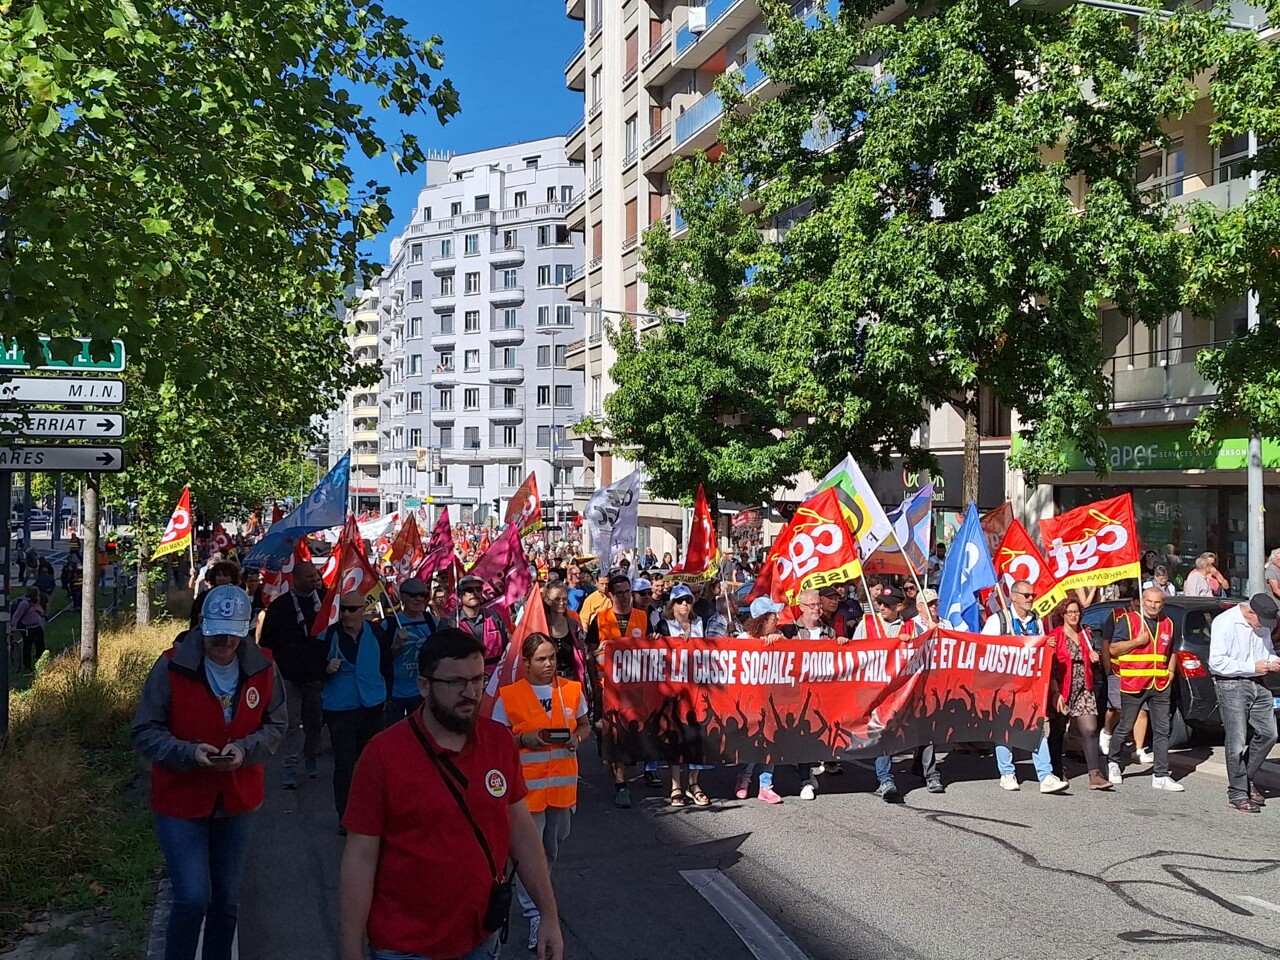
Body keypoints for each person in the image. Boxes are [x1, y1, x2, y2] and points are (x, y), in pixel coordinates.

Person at [340, 628, 564, 960]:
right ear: (424, 686)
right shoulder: (382, 756)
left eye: (476, 680)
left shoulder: (499, 742)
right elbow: (360, 857)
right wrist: (350, 950)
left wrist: (549, 915)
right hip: (405, 948)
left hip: (480, 939)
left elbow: (522, 833)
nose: (470, 692)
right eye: (455, 683)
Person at [132, 584, 286, 960]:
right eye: (217, 634)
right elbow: (144, 730)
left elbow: (277, 723)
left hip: (238, 799)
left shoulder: (264, 666)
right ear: (202, 626)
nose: (224, 643)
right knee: (192, 897)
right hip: (180, 801)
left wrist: (245, 749)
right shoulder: (170, 666)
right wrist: (188, 753)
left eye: (233, 635)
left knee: (227, 901)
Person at [492, 633, 590, 952]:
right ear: (526, 663)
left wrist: (577, 739)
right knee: (529, 855)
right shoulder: (509, 696)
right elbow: (495, 739)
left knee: (551, 848)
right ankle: (536, 913)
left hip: (561, 789)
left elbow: (585, 724)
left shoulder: (571, 690)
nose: (549, 665)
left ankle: (539, 896)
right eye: (541, 659)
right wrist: (524, 740)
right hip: (526, 792)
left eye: (552, 658)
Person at [982, 580, 1069, 794]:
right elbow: (983, 649)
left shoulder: (1036, 620)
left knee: (1036, 725)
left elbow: (1039, 648)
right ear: (1014, 596)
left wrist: (1046, 644)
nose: (1031, 599)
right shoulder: (998, 620)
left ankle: (1046, 775)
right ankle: (1007, 772)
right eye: (1027, 595)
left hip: (1030, 684)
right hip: (1003, 683)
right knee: (1005, 727)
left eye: (1032, 595)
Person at [854, 587, 939, 797]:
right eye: (880, 602)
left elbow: (925, 653)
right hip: (878, 691)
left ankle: (930, 774)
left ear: (899, 607)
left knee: (924, 730)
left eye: (888, 604)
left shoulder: (911, 627)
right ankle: (885, 779)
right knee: (885, 733)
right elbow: (854, 653)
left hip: (905, 689)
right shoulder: (867, 623)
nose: (882, 607)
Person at [1104, 587, 1184, 792]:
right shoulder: (1129, 621)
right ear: (1142, 601)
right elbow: (1113, 649)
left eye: (1157, 602)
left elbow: (1172, 651)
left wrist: (1171, 672)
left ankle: (1161, 775)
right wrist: (1137, 642)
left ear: (1162, 603)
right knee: (1125, 725)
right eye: (1149, 601)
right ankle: (1113, 761)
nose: (1153, 606)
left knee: (1162, 730)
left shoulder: (1168, 623)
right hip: (1134, 681)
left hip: (1160, 683)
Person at [322, 591, 390, 828]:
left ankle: (372, 812)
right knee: (345, 763)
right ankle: (346, 817)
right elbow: (307, 666)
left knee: (371, 763)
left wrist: (385, 697)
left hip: (372, 705)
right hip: (340, 708)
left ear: (363, 610)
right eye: (343, 609)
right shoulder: (329, 635)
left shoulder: (377, 633)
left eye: (352, 609)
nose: (346, 614)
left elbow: (386, 667)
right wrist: (325, 667)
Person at [259, 557, 328, 789]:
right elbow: (267, 643)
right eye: (310, 577)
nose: (315, 580)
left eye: (316, 576)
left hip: (317, 676)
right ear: (296, 579)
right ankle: (290, 767)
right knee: (290, 723)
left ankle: (311, 758)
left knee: (314, 721)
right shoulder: (280, 606)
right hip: (287, 676)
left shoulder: (327, 602)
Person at [1208, 593, 1280, 812]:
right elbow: (1217, 663)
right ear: (1250, 613)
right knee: (1237, 740)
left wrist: (1273, 661)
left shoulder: (1263, 624)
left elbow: (1266, 651)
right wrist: (1252, 666)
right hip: (1230, 683)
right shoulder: (1225, 622)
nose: (1263, 627)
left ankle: (1246, 779)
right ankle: (1238, 792)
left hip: (1258, 681)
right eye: (1261, 621)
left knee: (1269, 733)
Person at [584, 573, 650, 809]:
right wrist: (593, 686)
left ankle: (635, 770)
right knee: (615, 738)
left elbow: (653, 649)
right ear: (610, 594)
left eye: (626, 591)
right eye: (618, 592)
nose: (623, 596)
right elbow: (590, 655)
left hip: (635, 690)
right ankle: (621, 785)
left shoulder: (643, 618)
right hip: (606, 688)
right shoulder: (599, 619)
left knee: (632, 734)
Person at [656, 585, 713, 806]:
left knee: (696, 736)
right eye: (679, 601)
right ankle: (675, 785)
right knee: (675, 736)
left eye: (688, 600)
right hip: (673, 688)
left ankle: (694, 783)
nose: (684, 605)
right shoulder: (664, 625)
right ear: (672, 604)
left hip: (698, 687)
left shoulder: (701, 623)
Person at [1046, 598, 1110, 790]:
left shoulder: (1085, 633)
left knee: (1090, 729)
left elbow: (1091, 658)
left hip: (1084, 687)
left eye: (1076, 612)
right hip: (1062, 687)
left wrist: (1094, 659)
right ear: (1062, 615)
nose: (1074, 616)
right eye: (1070, 612)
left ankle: (1095, 774)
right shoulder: (1055, 636)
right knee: (1057, 731)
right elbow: (1050, 667)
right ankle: (1055, 769)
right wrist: (1055, 692)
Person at [732, 598, 786, 805]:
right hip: (748, 702)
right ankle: (744, 779)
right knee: (752, 741)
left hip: (773, 701)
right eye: (774, 617)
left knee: (771, 741)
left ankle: (766, 785)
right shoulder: (743, 639)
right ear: (763, 620)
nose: (777, 620)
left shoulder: (779, 637)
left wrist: (778, 644)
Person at [386, 578, 436, 723]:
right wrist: (395, 646)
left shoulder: (433, 622)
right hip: (395, 693)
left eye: (423, 595)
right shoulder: (389, 624)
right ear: (402, 597)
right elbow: (381, 660)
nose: (419, 599)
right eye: (413, 595)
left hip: (422, 691)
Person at [448, 575, 509, 680]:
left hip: (495, 679)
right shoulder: (452, 622)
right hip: (465, 679)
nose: (474, 593)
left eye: (478, 589)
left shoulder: (494, 616)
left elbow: (507, 647)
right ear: (460, 595)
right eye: (469, 590)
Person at [541, 579, 594, 698]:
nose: (562, 603)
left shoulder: (574, 625)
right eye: (557, 599)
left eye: (564, 599)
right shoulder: (540, 626)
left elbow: (581, 653)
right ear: (547, 600)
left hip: (571, 682)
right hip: (546, 685)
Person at [189, 560, 241, 629]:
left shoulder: (239, 596)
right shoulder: (204, 596)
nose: (222, 578)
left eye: (226, 575)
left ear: (232, 578)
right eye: (219, 575)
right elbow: (195, 619)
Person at [12, 585, 46, 670]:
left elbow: (42, 612)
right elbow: (17, 615)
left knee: (40, 645)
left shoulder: (36, 602)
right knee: (27, 646)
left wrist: (38, 610)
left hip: (37, 626)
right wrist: (13, 626)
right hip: (27, 628)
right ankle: (27, 666)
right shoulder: (25, 603)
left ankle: (40, 662)